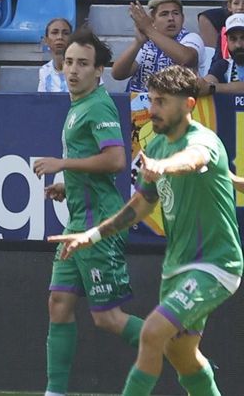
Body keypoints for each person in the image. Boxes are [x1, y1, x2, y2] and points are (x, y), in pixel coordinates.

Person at [50, 65, 241, 396]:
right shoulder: (152, 149)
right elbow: (139, 208)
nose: (152, 109)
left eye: (162, 102)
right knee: (183, 357)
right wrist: (91, 235)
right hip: (176, 267)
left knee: (152, 331)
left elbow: (194, 160)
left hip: (215, 264)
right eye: (151, 100)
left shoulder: (203, 141)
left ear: (189, 105)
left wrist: (164, 167)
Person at [31, 29, 142, 396]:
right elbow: (95, 167)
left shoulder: (98, 105)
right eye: (69, 62)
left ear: (99, 72)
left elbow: (116, 160)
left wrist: (63, 163)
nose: (73, 69)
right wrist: (68, 185)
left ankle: (182, 348)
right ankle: (54, 392)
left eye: (83, 63)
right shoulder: (78, 106)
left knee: (106, 318)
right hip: (77, 222)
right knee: (58, 302)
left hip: (99, 225)